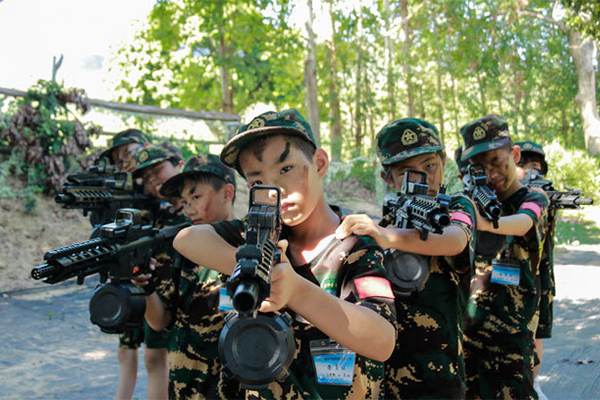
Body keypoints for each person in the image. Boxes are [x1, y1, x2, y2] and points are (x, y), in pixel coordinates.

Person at [173, 108, 397, 399]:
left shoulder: (354, 246)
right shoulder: (259, 233)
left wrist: (295, 290)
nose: (274, 188)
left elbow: (382, 341)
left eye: (285, 169)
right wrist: (255, 267)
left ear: (319, 163)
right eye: (257, 181)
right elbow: (187, 239)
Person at [335, 118, 477, 399]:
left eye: (430, 166)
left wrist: (390, 237)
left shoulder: (455, 207)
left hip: (441, 371)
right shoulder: (385, 225)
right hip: (389, 373)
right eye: (407, 173)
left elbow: (456, 239)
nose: (423, 179)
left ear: (444, 160)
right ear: (387, 177)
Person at [132, 154, 243, 399]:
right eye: (184, 201)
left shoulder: (248, 248)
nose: (188, 207)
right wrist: (147, 287)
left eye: (196, 196)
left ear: (227, 193)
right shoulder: (179, 251)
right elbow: (160, 321)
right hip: (185, 387)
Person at [460, 115, 549, 400]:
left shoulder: (533, 199)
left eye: (496, 161)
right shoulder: (470, 202)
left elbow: (524, 222)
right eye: (479, 167)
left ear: (514, 154)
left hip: (512, 346)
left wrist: (484, 223)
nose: (490, 173)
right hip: (468, 340)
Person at [116, 142, 186, 400]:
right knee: (154, 359)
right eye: (146, 178)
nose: (153, 180)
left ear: (179, 164)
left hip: (186, 301)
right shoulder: (161, 212)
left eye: (158, 170)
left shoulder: (195, 214)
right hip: (155, 297)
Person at [515, 140, 554, 400]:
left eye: (536, 167)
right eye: (524, 165)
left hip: (541, 275)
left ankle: (534, 382)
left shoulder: (543, 196)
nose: (531, 172)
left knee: (538, 331)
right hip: (515, 278)